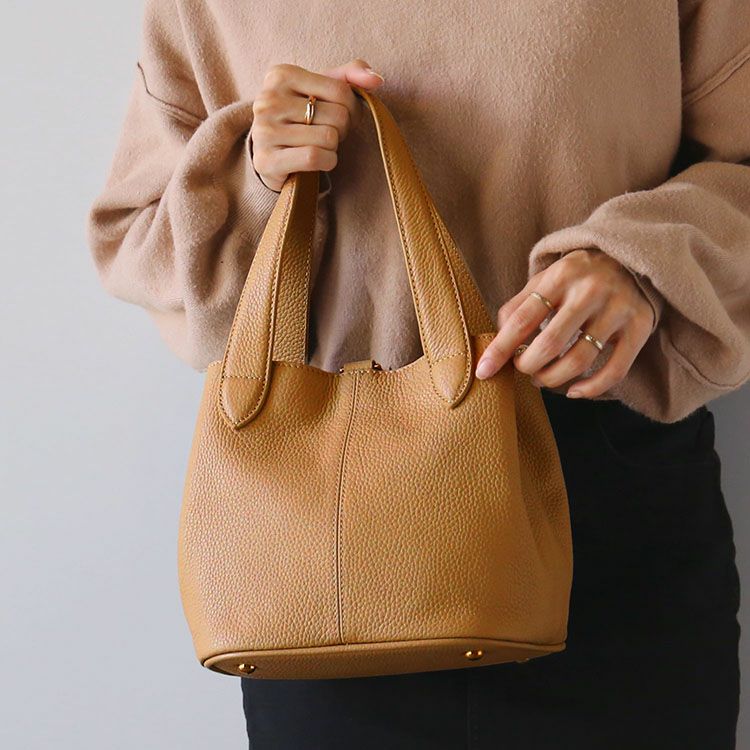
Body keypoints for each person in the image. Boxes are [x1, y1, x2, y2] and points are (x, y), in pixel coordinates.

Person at [86, 2, 749, 748]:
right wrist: (253, 175)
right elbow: (135, 241)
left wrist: (643, 263)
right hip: (329, 524)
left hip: (607, 494)